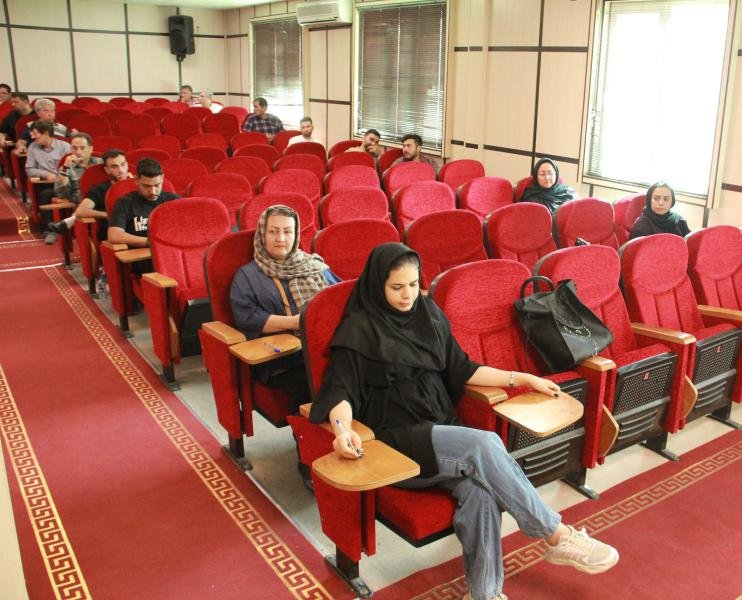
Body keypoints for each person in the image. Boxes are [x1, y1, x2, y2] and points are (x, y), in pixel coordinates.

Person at [309, 243, 620, 600]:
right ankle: (555, 534)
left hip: (440, 428)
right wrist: (342, 429)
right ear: (378, 285)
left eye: (413, 284)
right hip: (396, 441)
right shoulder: (359, 329)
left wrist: (521, 378)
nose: (407, 295)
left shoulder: (428, 314)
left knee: (480, 492)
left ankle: (484, 594)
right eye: (396, 287)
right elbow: (339, 392)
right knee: (483, 444)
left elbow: (463, 369)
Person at [230, 205, 339, 406]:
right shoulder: (247, 276)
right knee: (323, 382)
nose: (280, 238)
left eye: (287, 231)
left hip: (327, 347)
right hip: (282, 359)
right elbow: (248, 318)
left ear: (296, 235)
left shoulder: (314, 265)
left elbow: (339, 298)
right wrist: (296, 322)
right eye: (273, 231)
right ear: (262, 235)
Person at [108, 158, 180, 273]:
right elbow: (114, 235)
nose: (153, 191)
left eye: (157, 185)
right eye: (147, 186)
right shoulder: (125, 203)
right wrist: (150, 242)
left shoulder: (174, 200)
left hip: (173, 255)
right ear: (136, 180)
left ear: (162, 178)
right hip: (143, 258)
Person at [47, 132, 103, 237]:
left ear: (91, 149)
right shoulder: (65, 168)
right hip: (81, 202)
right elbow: (61, 194)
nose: (78, 152)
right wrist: (65, 168)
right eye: (74, 148)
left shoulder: (101, 163)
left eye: (82, 148)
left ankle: (68, 222)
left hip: (103, 199)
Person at [24, 120, 71, 243]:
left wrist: (61, 176)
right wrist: (45, 174)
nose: (32, 137)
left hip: (66, 183)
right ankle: (49, 230)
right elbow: (29, 169)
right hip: (47, 184)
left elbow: (73, 167)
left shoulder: (65, 146)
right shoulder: (33, 147)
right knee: (45, 194)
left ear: (45, 133)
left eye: (35, 133)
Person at [73, 149, 131, 242]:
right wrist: (109, 215)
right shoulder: (100, 189)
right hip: (115, 234)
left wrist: (133, 185)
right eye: (114, 167)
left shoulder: (139, 185)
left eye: (123, 165)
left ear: (127, 165)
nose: (120, 170)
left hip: (139, 230)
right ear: (107, 170)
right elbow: (81, 211)